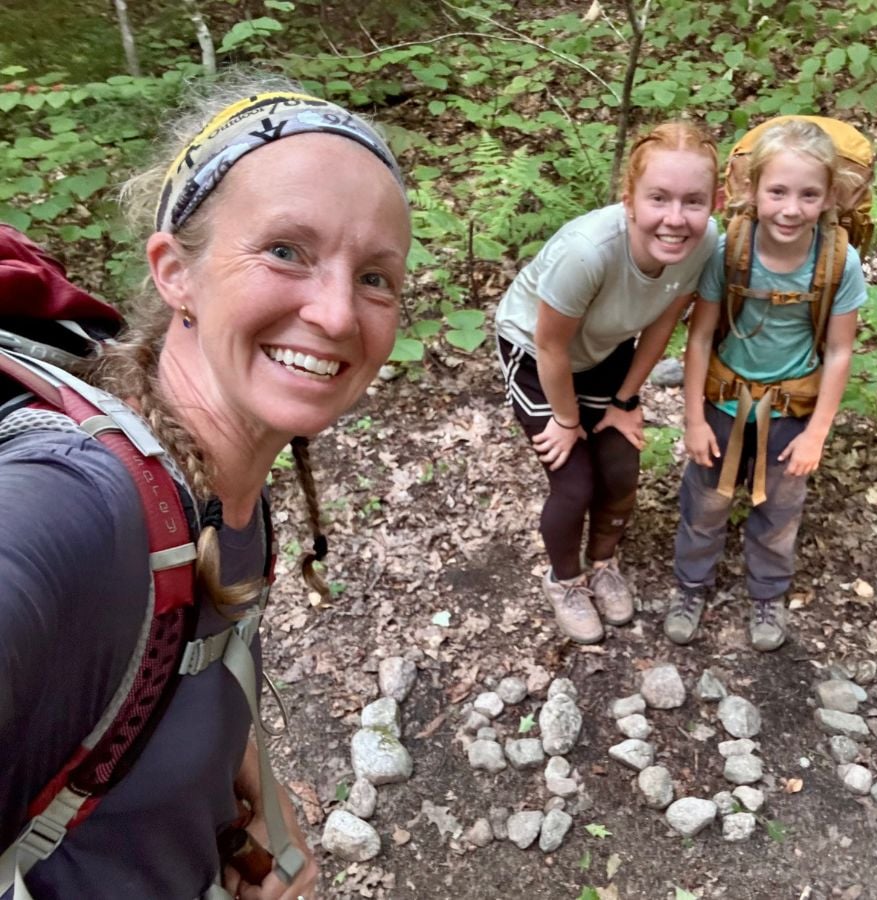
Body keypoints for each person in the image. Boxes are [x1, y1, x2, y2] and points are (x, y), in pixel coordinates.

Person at [0, 80, 411, 899]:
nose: (336, 314)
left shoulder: (216, 480)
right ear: (174, 272)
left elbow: (186, 665)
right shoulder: (77, 508)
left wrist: (249, 792)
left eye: (374, 276)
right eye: (287, 250)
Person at [496, 122, 720, 644]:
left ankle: (603, 563)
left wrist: (624, 400)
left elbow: (664, 321)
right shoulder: (588, 250)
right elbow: (551, 345)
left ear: (716, 201)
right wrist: (567, 419)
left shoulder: (705, 242)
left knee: (620, 467)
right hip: (536, 352)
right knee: (574, 481)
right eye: (658, 199)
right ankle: (565, 581)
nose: (675, 218)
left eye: (693, 201)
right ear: (629, 199)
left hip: (605, 347)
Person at [665, 118, 868, 652]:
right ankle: (690, 586)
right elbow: (701, 335)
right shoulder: (729, 249)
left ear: (828, 200)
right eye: (777, 191)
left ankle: (767, 594)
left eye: (808, 194)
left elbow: (841, 349)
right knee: (704, 500)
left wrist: (817, 433)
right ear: (752, 190)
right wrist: (691, 418)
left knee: (779, 510)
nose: (790, 208)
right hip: (724, 404)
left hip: (791, 410)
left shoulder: (838, 261)